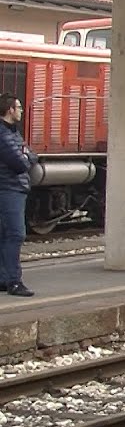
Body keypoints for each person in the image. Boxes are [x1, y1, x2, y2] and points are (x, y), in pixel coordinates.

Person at [0, 93, 35, 297]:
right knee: (15, 234)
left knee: (5, 234)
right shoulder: (4, 135)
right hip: (9, 189)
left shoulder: (11, 132)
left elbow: (31, 154)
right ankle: (14, 281)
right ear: (10, 110)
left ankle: (4, 278)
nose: (21, 111)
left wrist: (26, 155)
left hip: (12, 188)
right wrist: (26, 156)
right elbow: (21, 163)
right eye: (19, 107)